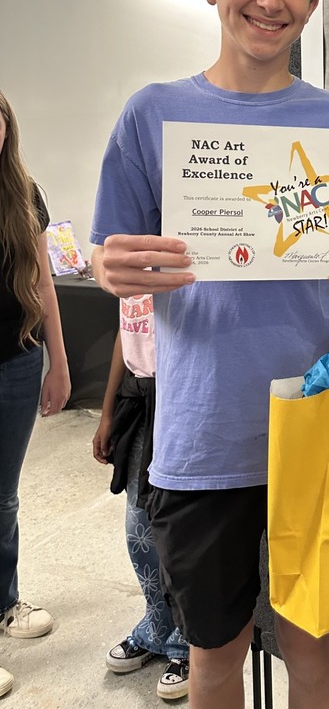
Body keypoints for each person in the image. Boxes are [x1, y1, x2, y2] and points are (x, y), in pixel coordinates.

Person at [89, 0, 329, 709]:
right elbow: (110, 253)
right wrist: (113, 267)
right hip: (204, 432)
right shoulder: (152, 115)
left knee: (315, 649)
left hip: (320, 423)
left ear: (313, 0)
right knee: (214, 656)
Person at [0, 90, 70, 699]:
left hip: (17, 362)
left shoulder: (23, 191)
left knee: (2, 498)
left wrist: (58, 363)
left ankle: (5, 602)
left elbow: (45, 282)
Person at [93, 296, 190, 701]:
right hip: (138, 400)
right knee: (139, 531)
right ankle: (157, 625)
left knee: (181, 532)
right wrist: (108, 411)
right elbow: (125, 332)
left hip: (180, 402)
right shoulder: (132, 259)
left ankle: (187, 641)